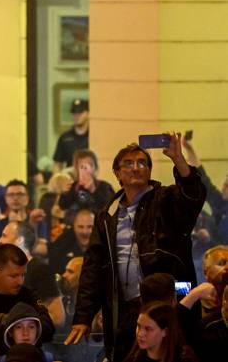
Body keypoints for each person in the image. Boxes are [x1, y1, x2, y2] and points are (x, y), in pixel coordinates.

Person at [65, 134, 206, 362]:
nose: (136, 168)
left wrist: (178, 158)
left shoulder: (167, 199)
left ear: (149, 171)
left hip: (170, 303)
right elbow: (93, 268)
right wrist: (83, 316)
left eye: (142, 163)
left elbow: (194, 196)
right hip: (124, 311)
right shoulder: (106, 215)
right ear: (117, 174)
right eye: (128, 164)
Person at [0, 245, 55, 347]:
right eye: (14, 276)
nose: (20, 282)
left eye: (23, 275)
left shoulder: (27, 294)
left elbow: (48, 328)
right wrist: (27, 323)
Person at [0, 221, 64, 327]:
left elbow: (58, 317)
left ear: (20, 240)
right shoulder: (2, 272)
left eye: (4, 236)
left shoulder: (40, 270)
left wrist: (24, 322)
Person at [124, 301, 196, 362]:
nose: (140, 333)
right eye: (139, 326)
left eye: (148, 329)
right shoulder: (133, 358)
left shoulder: (184, 358)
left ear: (165, 332)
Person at [46, 209, 94, 279]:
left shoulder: (104, 249)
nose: (85, 232)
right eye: (80, 227)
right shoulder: (62, 247)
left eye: (90, 227)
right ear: (74, 227)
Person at [52, 99, 89, 170]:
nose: (76, 115)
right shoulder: (65, 138)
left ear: (88, 113)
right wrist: (58, 178)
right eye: (74, 112)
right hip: (70, 178)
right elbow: (57, 164)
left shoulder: (93, 137)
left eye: (80, 112)